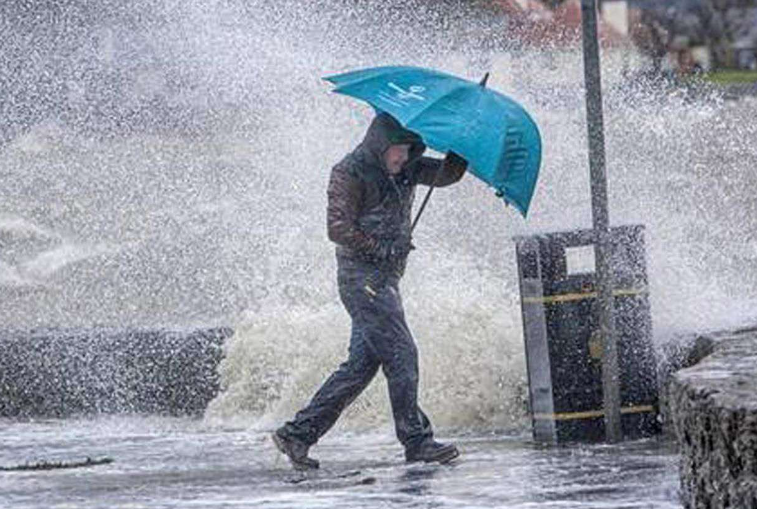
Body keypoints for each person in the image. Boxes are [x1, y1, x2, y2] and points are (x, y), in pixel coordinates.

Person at [272, 112, 467, 470]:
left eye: (410, 151)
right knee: (402, 354)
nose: (403, 158)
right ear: (380, 145)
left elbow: (446, 175)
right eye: (398, 150)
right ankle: (417, 441)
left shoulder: (407, 167)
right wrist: (381, 249)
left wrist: (462, 147)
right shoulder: (349, 172)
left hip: (385, 280)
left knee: (361, 366)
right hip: (361, 279)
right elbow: (337, 228)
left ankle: (297, 434)